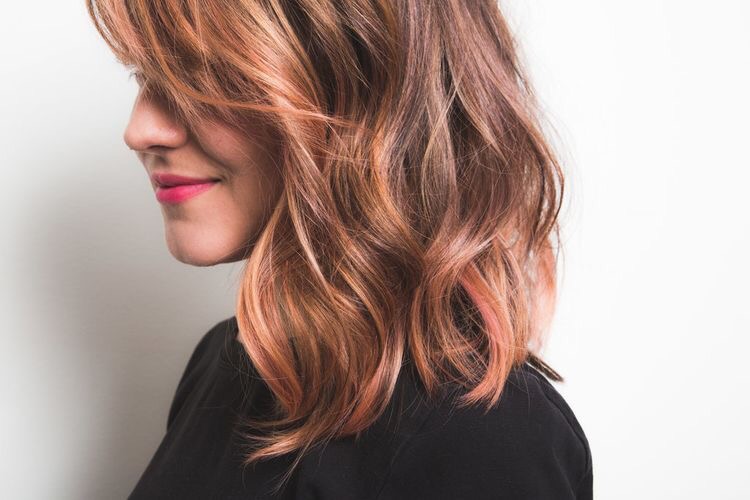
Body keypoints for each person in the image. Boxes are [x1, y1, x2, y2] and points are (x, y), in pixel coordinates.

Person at [86, 0, 593, 498]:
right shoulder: (224, 364)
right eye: (143, 75)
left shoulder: (484, 439)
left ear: (363, 90)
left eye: (198, 74)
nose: (139, 131)